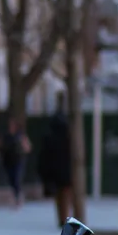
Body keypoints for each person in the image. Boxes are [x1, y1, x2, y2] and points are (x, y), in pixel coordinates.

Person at [39, 95, 74, 225]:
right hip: (66, 170)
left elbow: (44, 156)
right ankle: (66, 219)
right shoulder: (68, 138)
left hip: (55, 171)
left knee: (60, 197)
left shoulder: (49, 137)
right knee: (66, 195)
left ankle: (62, 219)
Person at [0, 117, 31, 208]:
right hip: (8, 160)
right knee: (11, 179)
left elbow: (27, 147)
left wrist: (24, 149)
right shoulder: (5, 136)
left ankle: (18, 197)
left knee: (16, 178)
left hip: (18, 160)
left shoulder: (20, 135)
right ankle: (16, 196)